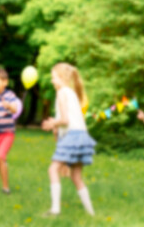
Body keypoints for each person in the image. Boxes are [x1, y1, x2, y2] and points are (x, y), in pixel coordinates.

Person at [41, 62, 96, 216]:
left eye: (54, 78)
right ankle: (91, 213)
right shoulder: (71, 93)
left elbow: (65, 120)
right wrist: (56, 128)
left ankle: (55, 209)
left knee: (52, 169)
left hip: (72, 135)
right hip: (82, 136)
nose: (52, 81)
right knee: (76, 176)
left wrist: (52, 123)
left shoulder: (62, 93)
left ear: (62, 78)